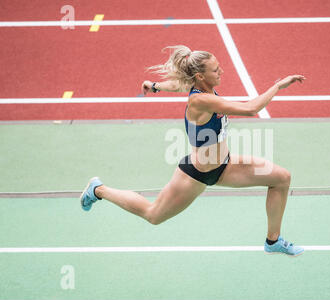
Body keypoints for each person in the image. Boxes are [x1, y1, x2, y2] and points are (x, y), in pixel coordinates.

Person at [80, 45, 306, 256]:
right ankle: (99, 189)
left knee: (281, 178)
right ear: (200, 76)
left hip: (226, 166)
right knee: (153, 215)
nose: (222, 72)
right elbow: (250, 108)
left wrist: (155, 86)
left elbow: (177, 84)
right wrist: (278, 85)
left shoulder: (200, 87)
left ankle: (272, 240)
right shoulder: (201, 101)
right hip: (196, 175)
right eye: (216, 70)